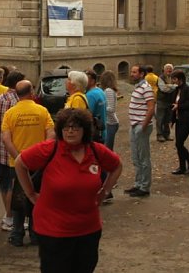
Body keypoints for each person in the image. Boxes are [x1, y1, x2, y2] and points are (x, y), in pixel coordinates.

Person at [15, 108, 121, 272]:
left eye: (75, 127)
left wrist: (104, 192)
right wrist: (30, 193)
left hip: (88, 229)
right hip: (54, 231)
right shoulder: (50, 149)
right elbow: (20, 163)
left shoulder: (95, 150)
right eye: (66, 127)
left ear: (85, 130)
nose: (70, 131)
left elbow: (117, 166)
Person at [1, 80, 55, 246]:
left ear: (17, 94)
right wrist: (43, 155)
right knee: (37, 197)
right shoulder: (42, 111)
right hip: (39, 163)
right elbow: (51, 135)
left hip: (17, 164)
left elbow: (6, 139)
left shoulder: (10, 113)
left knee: (18, 199)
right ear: (32, 92)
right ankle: (35, 234)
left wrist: (19, 159)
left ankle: (17, 235)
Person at [0, 69, 23, 233]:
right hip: (12, 151)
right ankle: (11, 217)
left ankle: (7, 216)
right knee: (13, 186)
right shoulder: (16, 102)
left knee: (4, 185)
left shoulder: (0, 98)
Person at [126, 64, 155, 198]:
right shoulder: (138, 87)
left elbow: (151, 108)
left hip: (140, 126)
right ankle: (138, 184)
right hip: (134, 125)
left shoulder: (146, 88)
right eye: (132, 72)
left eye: (134, 72)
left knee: (143, 158)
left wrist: (143, 125)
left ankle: (144, 187)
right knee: (135, 157)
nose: (132, 74)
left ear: (142, 74)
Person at [170, 70, 189, 175]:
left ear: (180, 79)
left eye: (174, 79)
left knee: (179, 143)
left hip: (187, 120)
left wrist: (179, 106)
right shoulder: (177, 90)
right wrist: (172, 119)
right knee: (178, 144)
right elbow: (174, 103)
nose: (173, 81)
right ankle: (182, 167)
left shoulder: (188, 89)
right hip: (179, 120)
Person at [84, 70, 107, 144]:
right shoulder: (100, 91)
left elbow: (87, 115)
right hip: (103, 131)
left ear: (92, 81)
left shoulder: (90, 95)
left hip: (96, 133)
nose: (84, 82)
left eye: (85, 79)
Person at [155, 64, 176, 142]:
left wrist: (169, 86)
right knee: (160, 118)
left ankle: (167, 134)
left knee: (167, 119)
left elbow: (175, 86)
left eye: (170, 69)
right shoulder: (160, 78)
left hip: (170, 101)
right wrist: (173, 87)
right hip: (162, 101)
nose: (169, 70)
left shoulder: (173, 77)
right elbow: (164, 89)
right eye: (167, 68)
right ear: (164, 70)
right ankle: (159, 135)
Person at [100, 70, 119, 153]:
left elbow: (111, 109)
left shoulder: (108, 91)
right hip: (111, 122)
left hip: (111, 123)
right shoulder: (110, 90)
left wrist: (101, 107)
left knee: (108, 150)